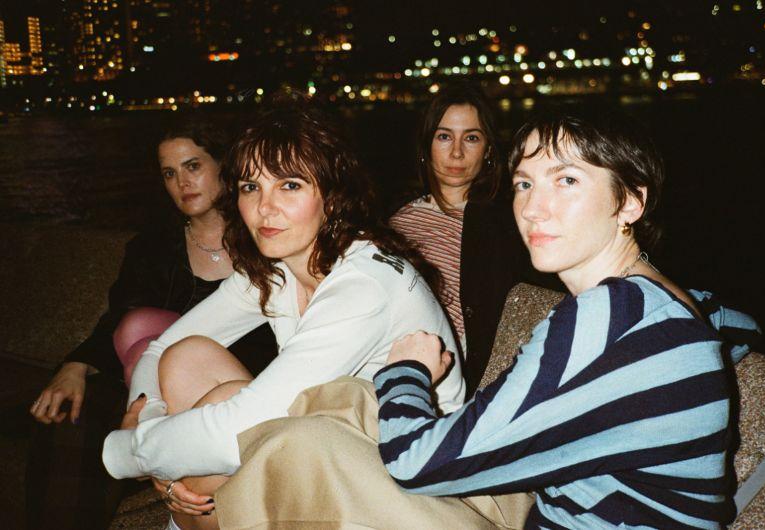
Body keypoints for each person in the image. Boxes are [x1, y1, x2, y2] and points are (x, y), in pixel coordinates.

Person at [375, 107, 761, 528]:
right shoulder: (666, 302)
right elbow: (741, 326)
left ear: (630, 202)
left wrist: (406, 370)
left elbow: (414, 464)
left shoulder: (611, 317)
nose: (532, 209)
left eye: (567, 181)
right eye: (524, 184)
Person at [101, 102, 467, 530]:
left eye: (289, 185)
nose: (265, 208)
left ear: (332, 195)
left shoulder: (363, 284)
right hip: (329, 440)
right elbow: (161, 347)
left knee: (219, 427)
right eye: (251, 187)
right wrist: (146, 413)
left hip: (407, 477)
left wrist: (132, 452)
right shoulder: (278, 268)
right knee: (187, 357)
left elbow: (239, 428)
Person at [26, 117, 279, 529]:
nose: (183, 182)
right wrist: (75, 365)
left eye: (193, 166)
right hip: (144, 378)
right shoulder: (154, 246)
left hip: (228, 382)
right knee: (71, 417)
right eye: (169, 173)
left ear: (224, 165)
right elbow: (120, 318)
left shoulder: (265, 239)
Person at [390, 83, 560, 397]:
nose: (457, 152)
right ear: (426, 145)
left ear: (488, 150)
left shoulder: (510, 221)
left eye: (471, 138)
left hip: (477, 381)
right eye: (444, 137)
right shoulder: (397, 221)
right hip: (401, 361)